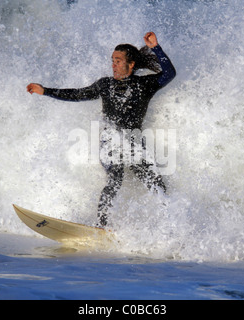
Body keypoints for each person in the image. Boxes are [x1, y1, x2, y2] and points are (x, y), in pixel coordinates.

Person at [27, 32, 176, 227]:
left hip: (133, 141)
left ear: (131, 65)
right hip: (110, 140)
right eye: (112, 60)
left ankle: (171, 224)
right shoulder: (105, 84)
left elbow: (169, 74)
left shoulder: (144, 84)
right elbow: (77, 94)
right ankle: (101, 225)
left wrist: (156, 47)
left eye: (118, 60)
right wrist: (45, 91)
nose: (113, 64)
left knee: (155, 183)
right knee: (115, 177)